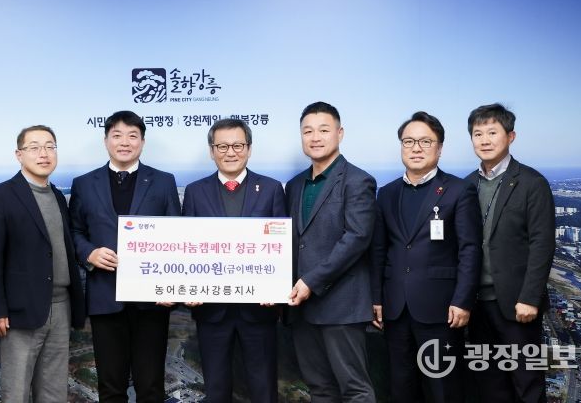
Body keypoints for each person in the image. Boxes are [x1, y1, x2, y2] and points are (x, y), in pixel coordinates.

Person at [69, 110, 181, 402]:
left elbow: (177, 235)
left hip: (152, 300)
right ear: (105, 140)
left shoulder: (163, 181)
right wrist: (89, 252)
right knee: (110, 387)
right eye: (117, 135)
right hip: (105, 296)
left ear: (142, 142)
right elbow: (74, 231)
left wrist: (171, 286)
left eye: (133, 136)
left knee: (151, 386)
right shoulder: (84, 183)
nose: (125, 142)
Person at [370, 111, 482, 402]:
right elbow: (379, 249)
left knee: (442, 388)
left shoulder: (459, 190)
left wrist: (462, 300)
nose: (416, 148)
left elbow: (470, 249)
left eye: (425, 141)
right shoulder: (387, 193)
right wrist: (377, 298)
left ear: (439, 148)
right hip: (395, 308)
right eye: (408, 141)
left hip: (441, 309)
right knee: (401, 387)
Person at [182, 118, 286, 403]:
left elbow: (283, 243)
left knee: (264, 389)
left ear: (249, 149)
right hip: (211, 310)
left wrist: (277, 288)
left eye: (238, 145)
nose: (231, 152)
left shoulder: (271, 188)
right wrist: (186, 286)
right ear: (211, 151)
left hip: (260, 310)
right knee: (216, 390)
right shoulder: (195, 191)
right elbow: (186, 246)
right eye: (223, 146)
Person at [0, 125, 85, 402]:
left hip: (61, 307)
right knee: (16, 393)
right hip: (19, 312)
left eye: (50, 147)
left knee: (54, 392)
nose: (44, 154)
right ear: (19, 154)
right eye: (35, 147)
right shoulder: (0, 196)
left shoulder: (58, 196)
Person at [285, 101, 377, 402]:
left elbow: (357, 238)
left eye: (323, 130)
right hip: (301, 307)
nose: (315, 137)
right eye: (307, 131)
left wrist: (311, 281)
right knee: (320, 389)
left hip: (341, 305)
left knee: (355, 389)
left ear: (340, 133)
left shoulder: (358, 181)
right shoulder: (295, 185)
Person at [465, 103, 554, 402]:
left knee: (527, 384)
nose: (484, 140)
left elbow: (542, 244)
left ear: (511, 136)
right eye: (478, 134)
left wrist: (530, 298)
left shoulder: (532, 183)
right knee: (489, 385)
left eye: (492, 132)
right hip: (477, 304)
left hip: (517, 305)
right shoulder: (467, 185)